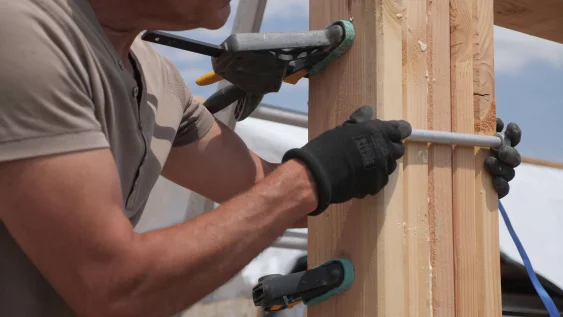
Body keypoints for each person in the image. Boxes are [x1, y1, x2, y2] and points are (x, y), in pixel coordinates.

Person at [0, 0, 521, 316]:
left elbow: (258, 188)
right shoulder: (23, 32)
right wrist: (314, 176)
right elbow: (113, 289)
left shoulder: (156, 78)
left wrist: (451, 174)